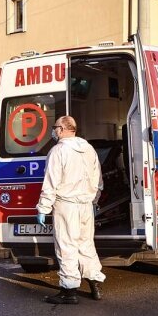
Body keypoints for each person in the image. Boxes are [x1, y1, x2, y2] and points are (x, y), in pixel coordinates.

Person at [36, 115, 106, 304]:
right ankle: (95, 286)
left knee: (66, 246)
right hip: (86, 206)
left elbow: (51, 182)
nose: (53, 130)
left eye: (55, 127)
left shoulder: (58, 151)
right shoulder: (89, 149)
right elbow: (97, 179)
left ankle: (69, 291)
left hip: (66, 205)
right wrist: (93, 200)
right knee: (86, 245)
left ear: (63, 129)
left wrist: (43, 207)